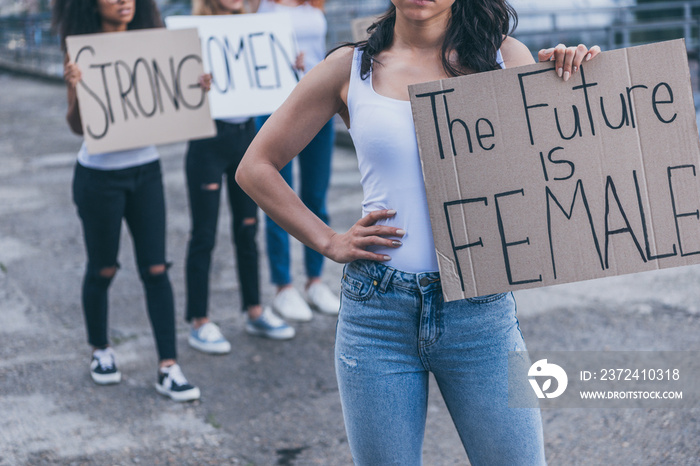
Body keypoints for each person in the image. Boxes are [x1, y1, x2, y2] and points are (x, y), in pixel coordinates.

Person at [237, 0, 600, 462]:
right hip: (377, 316)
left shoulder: (506, 58)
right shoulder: (349, 68)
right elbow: (256, 166)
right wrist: (328, 241)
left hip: (479, 313)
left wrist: (576, 79)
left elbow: (557, 165)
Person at [52, 0, 201, 401]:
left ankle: (168, 366)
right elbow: (77, 126)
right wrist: (75, 87)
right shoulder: (81, 50)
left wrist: (196, 89)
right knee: (103, 268)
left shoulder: (151, 45)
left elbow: (175, 101)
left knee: (156, 268)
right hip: (98, 176)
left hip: (145, 171)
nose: (124, 1)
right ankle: (101, 349)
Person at [184, 0, 295, 355]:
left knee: (248, 228)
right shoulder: (191, 35)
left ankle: (254, 310)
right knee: (204, 233)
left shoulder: (255, 30)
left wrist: (290, 69)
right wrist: (193, 85)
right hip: (207, 140)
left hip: (245, 137)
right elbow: (177, 96)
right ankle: (199, 321)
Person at [248, 0, 341, 322]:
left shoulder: (315, 4)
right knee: (278, 195)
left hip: (318, 106)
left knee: (316, 194)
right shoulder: (260, 6)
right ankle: (283, 286)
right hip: (275, 106)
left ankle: (315, 281)